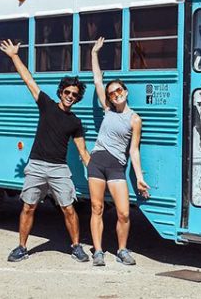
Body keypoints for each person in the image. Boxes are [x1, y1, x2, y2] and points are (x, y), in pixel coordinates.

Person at [0, 39, 90, 263]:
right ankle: (21, 247)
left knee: (69, 209)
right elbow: (29, 80)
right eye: (67, 92)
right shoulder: (47, 105)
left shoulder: (75, 122)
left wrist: (99, 173)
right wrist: (14, 56)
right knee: (28, 206)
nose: (70, 96)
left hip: (59, 168)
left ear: (78, 98)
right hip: (37, 165)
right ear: (60, 92)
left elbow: (83, 152)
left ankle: (76, 247)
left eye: (74, 94)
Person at [87, 37, 150, 266]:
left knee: (123, 213)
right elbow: (97, 80)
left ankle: (122, 250)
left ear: (125, 91)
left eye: (118, 90)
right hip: (97, 162)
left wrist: (140, 177)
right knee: (97, 207)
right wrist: (94, 53)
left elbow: (134, 150)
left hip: (116, 165)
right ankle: (98, 251)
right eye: (112, 93)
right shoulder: (107, 109)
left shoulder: (135, 119)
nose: (115, 94)